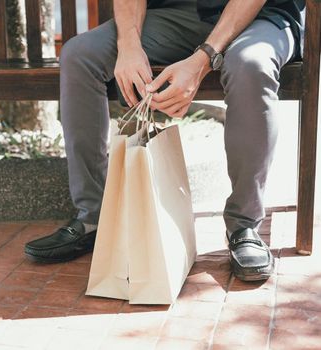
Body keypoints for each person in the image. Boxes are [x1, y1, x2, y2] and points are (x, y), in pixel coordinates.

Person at [24, 0, 305, 281]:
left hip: (258, 18)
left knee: (250, 65)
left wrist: (201, 61)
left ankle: (244, 225)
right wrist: (129, 46)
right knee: (79, 54)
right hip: (175, 15)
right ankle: (93, 217)